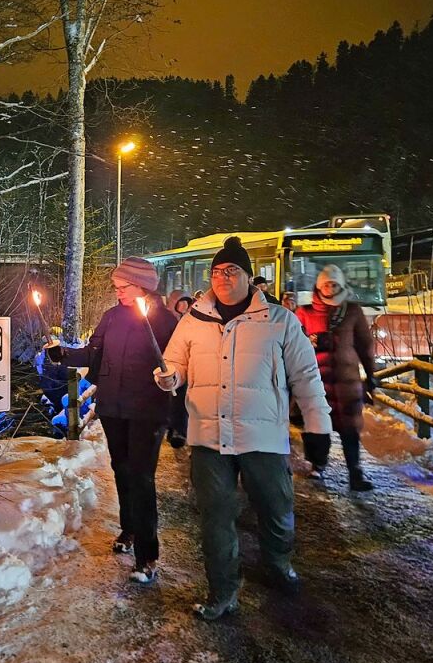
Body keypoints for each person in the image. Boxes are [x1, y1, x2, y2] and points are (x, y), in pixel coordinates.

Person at [154, 237, 332, 620]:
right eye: (216, 271)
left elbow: (306, 376)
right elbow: (173, 363)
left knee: (275, 508)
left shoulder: (278, 321)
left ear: (249, 278)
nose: (221, 277)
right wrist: (168, 378)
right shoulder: (193, 320)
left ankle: (278, 561)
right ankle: (222, 590)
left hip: (262, 437)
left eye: (231, 270)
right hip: (209, 438)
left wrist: (318, 426)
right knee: (215, 519)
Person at [47, 257, 178, 585]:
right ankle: (129, 528)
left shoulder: (165, 321)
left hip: (147, 411)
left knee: (142, 477)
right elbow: (94, 353)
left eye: (124, 286)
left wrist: (169, 379)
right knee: (121, 469)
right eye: (116, 286)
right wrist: (63, 354)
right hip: (114, 407)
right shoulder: (113, 316)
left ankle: (148, 555)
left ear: (143, 285)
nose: (117, 291)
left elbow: (176, 364)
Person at [295, 265, 377, 491]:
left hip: (347, 381)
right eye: (326, 284)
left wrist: (371, 375)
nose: (330, 287)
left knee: (350, 428)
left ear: (341, 285)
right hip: (315, 380)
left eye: (334, 284)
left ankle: (355, 472)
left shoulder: (352, 311)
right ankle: (317, 464)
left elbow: (365, 345)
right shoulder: (305, 311)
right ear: (319, 286)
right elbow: (292, 343)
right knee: (316, 425)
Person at [165, 291, 194, 448]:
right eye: (180, 303)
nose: (183, 307)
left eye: (186, 303)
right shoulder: (168, 320)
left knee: (182, 400)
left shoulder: (192, 320)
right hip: (171, 365)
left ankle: (180, 430)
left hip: (189, 366)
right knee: (173, 399)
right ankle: (173, 427)